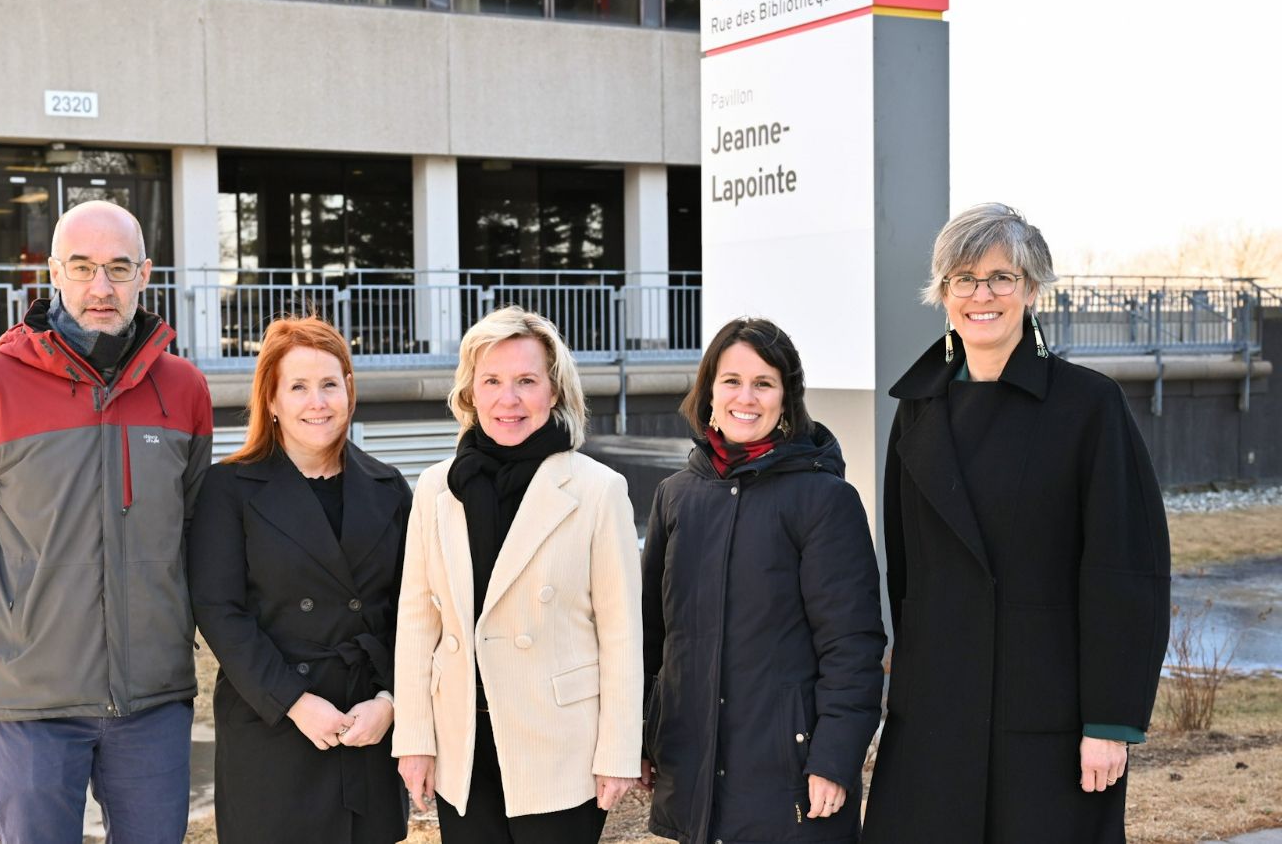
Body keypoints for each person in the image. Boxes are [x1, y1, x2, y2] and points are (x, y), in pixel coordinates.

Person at [862, 203, 1172, 844]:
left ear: (1031, 288)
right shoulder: (915, 412)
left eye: (1002, 277)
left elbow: (1126, 570)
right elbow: (906, 576)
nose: (983, 295)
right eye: (964, 279)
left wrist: (1110, 721)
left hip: (1049, 717)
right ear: (942, 293)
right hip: (935, 715)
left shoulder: (1089, 405)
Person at [0, 200, 214, 843]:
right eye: (82, 268)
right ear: (54, 273)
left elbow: (190, 524)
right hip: (30, 698)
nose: (101, 288)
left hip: (153, 697)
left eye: (118, 268)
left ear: (146, 274)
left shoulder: (185, 389)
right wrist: (18, 625)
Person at [391, 306, 643, 844]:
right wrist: (415, 739)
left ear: (553, 392)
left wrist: (619, 751)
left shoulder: (598, 490)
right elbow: (416, 621)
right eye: (493, 381)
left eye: (527, 381)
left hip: (559, 747)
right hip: (464, 744)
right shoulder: (436, 489)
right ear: (470, 393)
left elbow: (622, 631)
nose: (510, 398)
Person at [640, 317, 886, 844]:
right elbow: (651, 636)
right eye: (731, 381)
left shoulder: (824, 500)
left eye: (763, 383)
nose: (745, 397)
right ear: (709, 391)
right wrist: (643, 738)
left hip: (791, 774)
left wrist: (835, 758)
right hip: (692, 766)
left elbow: (853, 645)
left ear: (786, 398)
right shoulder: (676, 495)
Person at [187, 316, 412, 844]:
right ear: (271, 400)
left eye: (330, 384)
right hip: (273, 726)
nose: (318, 402)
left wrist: (391, 702)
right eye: (299, 387)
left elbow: (414, 612)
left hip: (366, 726)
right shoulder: (228, 489)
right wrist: (295, 702)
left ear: (349, 391)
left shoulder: (388, 487)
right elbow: (220, 612)